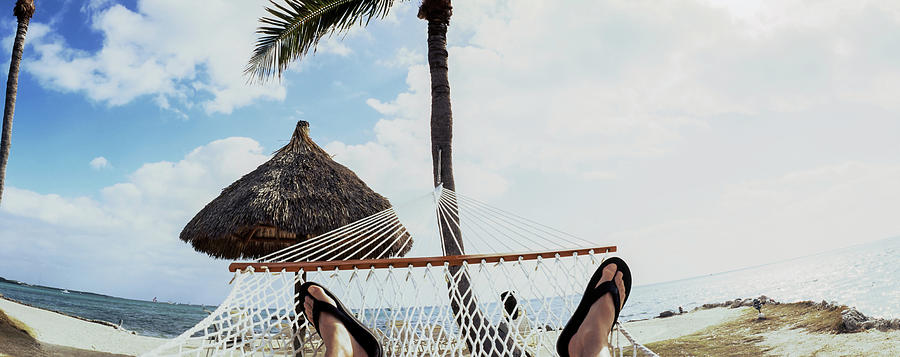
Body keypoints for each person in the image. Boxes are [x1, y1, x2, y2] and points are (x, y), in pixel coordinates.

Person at [298, 257, 632, 357]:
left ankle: (341, 347)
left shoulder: (506, 327)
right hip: (512, 338)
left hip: (509, 336)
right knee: (595, 351)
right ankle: (591, 340)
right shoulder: (509, 325)